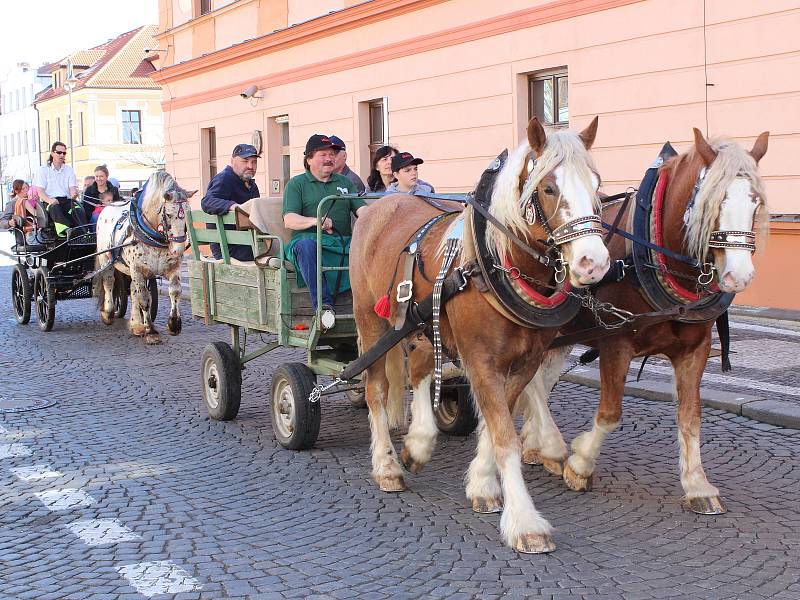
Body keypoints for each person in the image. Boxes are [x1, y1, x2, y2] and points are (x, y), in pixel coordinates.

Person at [283, 134, 368, 314]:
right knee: (305, 247)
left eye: (332, 154)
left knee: (372, 246)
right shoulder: (296, 184)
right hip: (309, 241)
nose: (330, 158)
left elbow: (362, 210)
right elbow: (289, 219)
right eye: (323, 154)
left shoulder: (345, 182)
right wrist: (316, 220)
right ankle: (323, 307)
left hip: (342, 243)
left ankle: (375, 306)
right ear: (309, 159)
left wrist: (378, 218)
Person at [201, 143, 261, 262]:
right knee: (276, 249)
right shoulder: (225, 178)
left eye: (254, 162)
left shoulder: (251, 185)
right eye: (245, 161)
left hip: (247, 242)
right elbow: (207, 201)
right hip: (228, 248)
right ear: (232, 161)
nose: (250, 166)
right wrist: (232, 206)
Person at [33, 141, 87, 238]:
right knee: (55, 208)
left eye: (64, 153)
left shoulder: (69, 170)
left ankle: (84, 233)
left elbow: (72, 188)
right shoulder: (43, 170)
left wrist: (74, 194)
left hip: (66, 200)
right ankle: (65, 231)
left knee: (78, 209)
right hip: (49, 201)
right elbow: (40, 191)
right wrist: (49, 200)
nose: (62, 155)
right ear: (52, 153)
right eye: (59, 152)